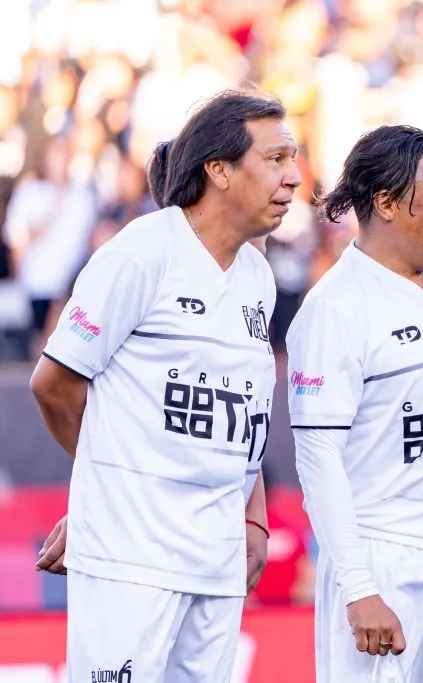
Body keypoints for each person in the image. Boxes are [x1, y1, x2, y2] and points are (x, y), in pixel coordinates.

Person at [29, 89, 299, 682]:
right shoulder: (141, 254)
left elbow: (245, 419)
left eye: (294, 159)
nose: (294, 178)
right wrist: (105, 491)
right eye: (276, 159)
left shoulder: (258, 276)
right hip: (133, 558)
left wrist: (253, 516)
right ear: (219, 170)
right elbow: (54, 384)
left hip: (217, 559)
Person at [287, 124, 423, 682]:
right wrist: (359, 587)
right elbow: (318, 460)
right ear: (385, 203)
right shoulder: (334, 309)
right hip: (388, 565)